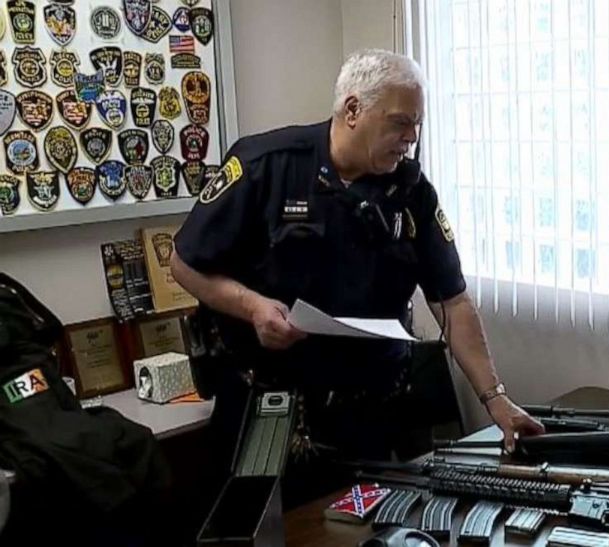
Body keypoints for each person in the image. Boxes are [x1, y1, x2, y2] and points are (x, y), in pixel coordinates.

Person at [171, 49, 544, 506]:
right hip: (270, 409)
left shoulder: (411, 194)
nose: (411, 138)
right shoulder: (266, 166)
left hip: (368, 415)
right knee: (269, 530)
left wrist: (496, 400)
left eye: (416, 125)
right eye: (399, 123)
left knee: (360, 531)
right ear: (353, 111)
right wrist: (252, 307)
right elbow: (183, 263)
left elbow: (453, 303)